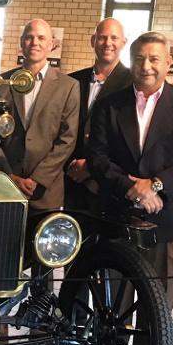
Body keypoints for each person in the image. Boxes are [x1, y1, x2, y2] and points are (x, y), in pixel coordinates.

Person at [88, 31, 173, 309]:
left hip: (168, 219)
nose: (146, 66)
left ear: (168, 62)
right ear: (131, 62)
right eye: (140, 59)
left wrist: (155, 184)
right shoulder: (109, 105)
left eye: (154, 59)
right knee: (111, 311)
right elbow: (97, 157)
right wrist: (131, 187)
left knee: (157, 316)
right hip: (118, 218)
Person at [0, 18, 79, 212]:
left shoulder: (68, 86)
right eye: (29, 37)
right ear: (21, 43)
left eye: (41, 38)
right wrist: (8, 175)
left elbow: (67, 139)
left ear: (51, 44)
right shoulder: (2, 82)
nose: (35, 42)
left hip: (45, 191)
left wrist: (38, 179)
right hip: (5, 186)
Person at [66, 18, 132, 210]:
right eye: (102, 38)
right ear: (93, 41)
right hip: (71, 181)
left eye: (114, 38)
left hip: (109, 185)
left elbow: (128, 137)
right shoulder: (72, 81)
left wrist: (92, 167)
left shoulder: (132, 84)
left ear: (124, 42)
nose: (108, 43)